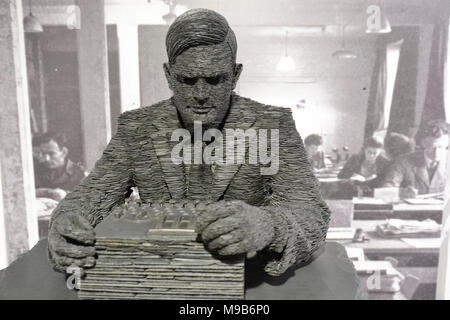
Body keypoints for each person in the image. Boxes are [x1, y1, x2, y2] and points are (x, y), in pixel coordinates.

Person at [47, 9, 330, 280]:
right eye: (187, 79)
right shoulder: (138, 129)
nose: (201, 94)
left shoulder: (272, 124)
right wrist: (65, 223)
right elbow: (92, 194)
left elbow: (310, 213)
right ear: (169, 75)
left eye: (215, 79)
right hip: (162, 275)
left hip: (246, 277)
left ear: (235, 75)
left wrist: (269, 226)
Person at [382, 119, 449, 197]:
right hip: (414, 208)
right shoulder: (404, 161)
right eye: (433, 147)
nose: (437, 153)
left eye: (441, 147)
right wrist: (402, 192)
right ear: (424, 143)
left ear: (447, 143)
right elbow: (386, 188)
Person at [32, 132, 87, 202]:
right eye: (43, 153)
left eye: (51, 153)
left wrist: (65, 194)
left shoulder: (80, 174)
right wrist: (47, 192)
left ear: (64, 152)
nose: (46, 158)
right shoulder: (36, 171)